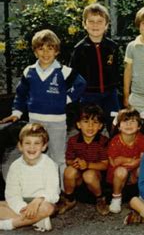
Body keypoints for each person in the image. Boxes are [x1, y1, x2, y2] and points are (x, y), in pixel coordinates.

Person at [0, 29, 86, 183]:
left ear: (56, 51)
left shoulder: (63, 71)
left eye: (50, 48)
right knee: (36, 155)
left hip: (57, 121)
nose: (46, 53)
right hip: (35, 121)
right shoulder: (29, 72)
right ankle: (37, 187)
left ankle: (59, 192)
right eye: (41, 49)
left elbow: (81, 83)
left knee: (58, 157)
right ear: (35, 52)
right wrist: (17, 113)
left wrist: (65, 99)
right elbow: (21, 94)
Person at [69, 3, 120, 130]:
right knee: (90, 127)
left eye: (99, 21)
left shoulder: (112, 47)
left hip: (110, 95)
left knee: (115, 125)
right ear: (84, 24)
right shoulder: (79, 49)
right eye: (91, 21)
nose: (95, 25)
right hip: (88, 96)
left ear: (106, 24)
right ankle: (90, 150)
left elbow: (117, 70)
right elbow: (73, 75)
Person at [0, 123, 59, 232]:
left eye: (37, 143)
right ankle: (36, 219)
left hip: (41, 202)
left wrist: (37, 201)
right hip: (21, 202)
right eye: (27, 143)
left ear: (44, 146)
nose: (32, 147)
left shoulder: (49, 164)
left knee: (49, 208)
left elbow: (53, 193)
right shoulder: (15, 166)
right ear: (20, 146)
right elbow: (12, 194)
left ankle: (11, 224)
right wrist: (23, 209)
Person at [57, 104, 109, 216]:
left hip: (96, 177)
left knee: (89, 175)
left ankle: (100, 199)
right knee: (69, 171)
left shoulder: (103, 141)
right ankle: (69, 199)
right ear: (78, 124)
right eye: (86, 122)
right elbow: (68, 160)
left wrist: (87, 165)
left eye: (95, 122)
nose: (90, 126)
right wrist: (74, 163)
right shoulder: (73, 141)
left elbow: (105, 165)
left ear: (100, 126)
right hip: (79, 177)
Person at [107, 108, 144, 213]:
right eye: (125, 121)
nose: (129, 124)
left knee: (143, 169)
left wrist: (132, 162)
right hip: (118, 175)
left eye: (133, 121)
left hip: (134, 171)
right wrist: (130, 160)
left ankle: (143, 196)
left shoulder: (142, 139)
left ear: (139, 126)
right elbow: (114, 162)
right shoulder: (115, 141)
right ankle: (116, 198)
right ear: (119, 126)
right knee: (121, 171)